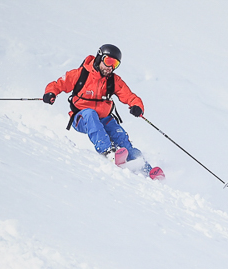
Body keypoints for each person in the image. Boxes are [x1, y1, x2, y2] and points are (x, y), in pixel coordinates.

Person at [43, 44, 164, 179]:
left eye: (115, 64)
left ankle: (146, 169)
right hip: (81, 117)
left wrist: (136, 105)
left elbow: (129, 95)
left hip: (104, 118)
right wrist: (50, 93)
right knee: (90, 114)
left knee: (121, 138)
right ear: (100, 57)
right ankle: (108, 152)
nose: (110, 67)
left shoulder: (113, 80)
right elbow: (59, 84)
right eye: (108, 61)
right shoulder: (81, 74)